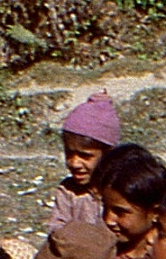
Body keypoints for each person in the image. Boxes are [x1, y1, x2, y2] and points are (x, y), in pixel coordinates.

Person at [51, 92, 121, 236]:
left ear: (108, 154)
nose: (75, 163)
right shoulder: (68, 192)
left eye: (85, 156)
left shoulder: (120, 190)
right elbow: (57, 233)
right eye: (69, 154)